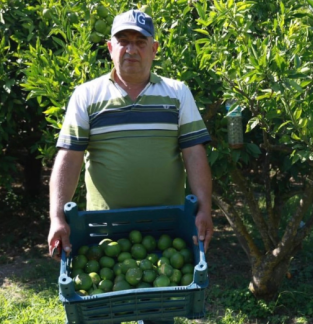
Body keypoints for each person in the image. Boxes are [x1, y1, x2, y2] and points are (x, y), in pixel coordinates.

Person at [47, 9, 214, 322]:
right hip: (104, 229)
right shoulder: (87, 96)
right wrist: (57, 216)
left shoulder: (177, 94)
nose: (131, 49)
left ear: (154, 49)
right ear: (110, 49)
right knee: (105, 311)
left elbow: (194, 153)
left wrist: (204, 208)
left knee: (160, 312)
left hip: (166, 227)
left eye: (140, 41)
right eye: (123, 41)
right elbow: (68, 158)